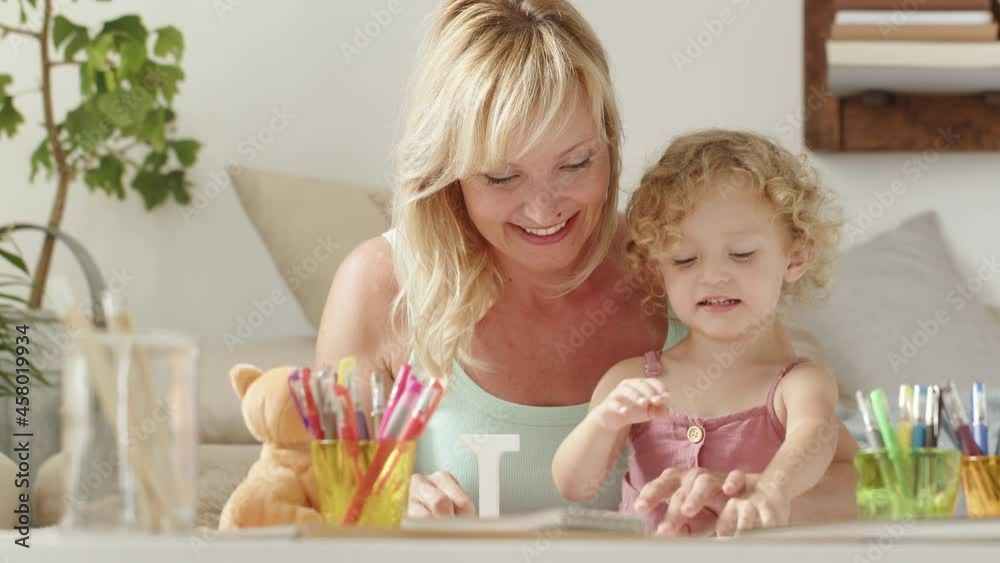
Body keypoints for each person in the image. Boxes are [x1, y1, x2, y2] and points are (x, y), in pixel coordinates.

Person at [315, 0, 857, 529]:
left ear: (609, 142)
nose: (544, 208)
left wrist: (735, 498)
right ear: (449, 171)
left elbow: (844, 476)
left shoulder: (682, 266)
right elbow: (306, 492)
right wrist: (380, 502)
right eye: (501, 178)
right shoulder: (380, 284)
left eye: (575, 163)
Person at [553, 129, 857, 536]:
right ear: (655, 271)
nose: (713, 275)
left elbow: (815, 437)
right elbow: (575, 485)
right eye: (685, 259)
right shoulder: (633, 380)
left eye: (742, 254)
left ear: (796, 255)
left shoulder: (799, 384)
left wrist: (773, 488)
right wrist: (604, 422)